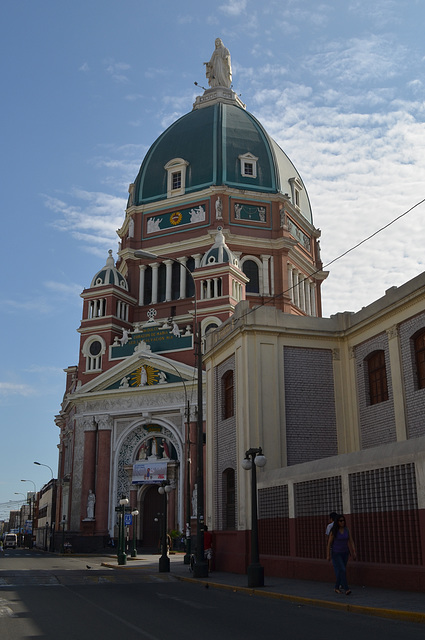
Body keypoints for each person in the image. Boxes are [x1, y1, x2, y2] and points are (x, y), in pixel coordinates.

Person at [327, 514, 356, 595]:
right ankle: (346, 588)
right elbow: (329, 544)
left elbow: (351, 541)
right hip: (336, 553)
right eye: (340, 521)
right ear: (337, 522)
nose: (342, 522)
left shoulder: (347, 530)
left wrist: (354, 551)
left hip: (345, 553)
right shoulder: (334, 531)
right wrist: (328, 555)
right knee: (342, 569)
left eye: (343, 520)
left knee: (341, 570)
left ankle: (336, 587)